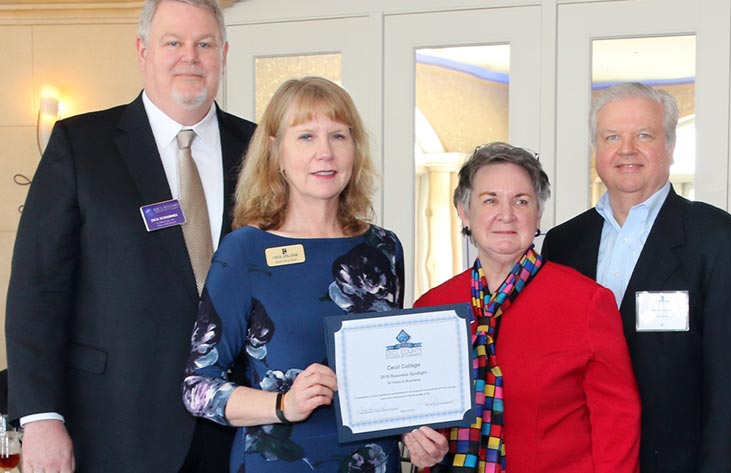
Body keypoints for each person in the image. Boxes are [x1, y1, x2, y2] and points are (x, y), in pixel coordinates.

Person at [4, 0, 256, 471]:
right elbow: (37, 292)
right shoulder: (80, 146)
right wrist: (40, 419)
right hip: (113, 428)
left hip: (239, 430)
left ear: (223, 53)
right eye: (173, 43)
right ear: (142, 51)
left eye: (203, 44)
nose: (190, 57)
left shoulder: (261, 149)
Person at [542, 82, 731, 473]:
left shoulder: (723, 242)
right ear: (597, 150)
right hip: (581, 461)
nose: (626, 149)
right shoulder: (562, 244)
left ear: (669, 146)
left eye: (644, 135)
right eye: (612, 136)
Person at [182, 76, 405, 473]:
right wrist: (284, 405)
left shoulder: (384, 249)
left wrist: (412, 428)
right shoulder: (245, 251)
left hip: (372, 461)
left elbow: (388, 373)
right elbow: (198, 389)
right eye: (306, 137)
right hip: (279, 461)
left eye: (338, 136)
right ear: (276, 152)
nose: (325, 153)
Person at [403, 142, 641, 472]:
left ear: (538, 214)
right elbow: (415, 411)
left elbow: (618, 425)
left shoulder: (586, 302)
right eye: (490, 200)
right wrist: (416, 439)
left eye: (521, 201)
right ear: (464, 210)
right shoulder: (432, 306)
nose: (507, 214)